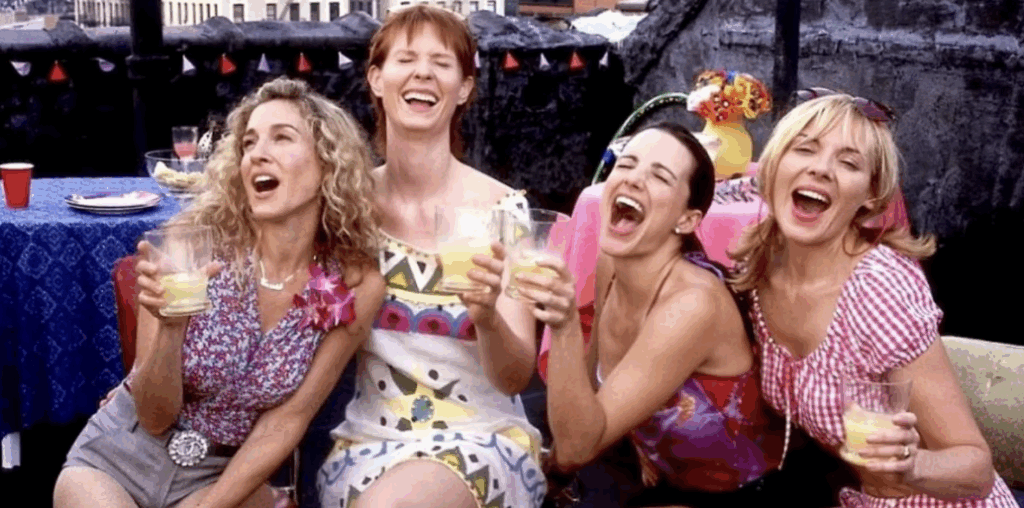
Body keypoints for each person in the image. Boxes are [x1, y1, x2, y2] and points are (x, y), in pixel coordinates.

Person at [54, 77, 386, 508]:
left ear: (329, 163)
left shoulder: (355, 285)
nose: (257, 155)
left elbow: (289, 418)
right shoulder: (191, 244)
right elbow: (155, 417)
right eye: (248, 144)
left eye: (282, 138)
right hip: (120, 454)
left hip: (223, 475)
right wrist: (170, 329)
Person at [730, 90, 1018, 507]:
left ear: (870, 194)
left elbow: (975, 469)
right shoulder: (760, 269)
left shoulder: (877, 288)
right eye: (805, 149)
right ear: (773, 166)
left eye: (848, 163)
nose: (821, 169)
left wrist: (910, 466)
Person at [316, 5, 546, 508]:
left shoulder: (504, 210)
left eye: (442, 62)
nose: (423, 71)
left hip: (482, 441)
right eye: (406, 58)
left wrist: (486, 316)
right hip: (368, 445)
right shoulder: (344, 208)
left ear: (464, 88)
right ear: (376, 79)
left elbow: (514, 378)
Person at [525, 121, 782, 507]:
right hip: (654, 473)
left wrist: (562, 325)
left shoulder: (692, 305)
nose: (633, 180)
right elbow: (590, 396)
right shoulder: (613, 260)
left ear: (687, 220)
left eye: (659, 176)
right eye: (626, 165)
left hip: (742, 492)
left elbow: (578, 447)